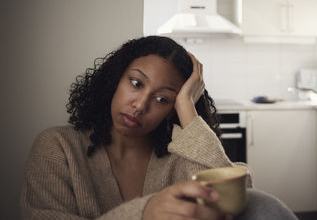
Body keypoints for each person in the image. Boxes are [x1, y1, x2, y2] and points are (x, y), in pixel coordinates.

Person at [20, 36, 297, 220]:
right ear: (115, 79)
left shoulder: (178, 156)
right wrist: (144, 213)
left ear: (170, 111)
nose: (140, 105)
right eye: (137, 84)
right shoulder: (57, 147)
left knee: (262, 205)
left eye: (163, 99)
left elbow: (242, 200)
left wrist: (187, 107)